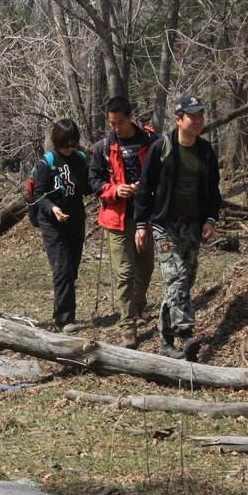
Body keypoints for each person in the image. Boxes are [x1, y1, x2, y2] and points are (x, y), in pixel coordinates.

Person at [134, 95, 221, 360]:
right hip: (164, 225)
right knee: (178, 277)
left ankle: (165, 341)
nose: (197, 120)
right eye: (192, 116)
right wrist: (140, 224)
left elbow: (213, 191)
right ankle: (185, 334)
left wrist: (210, 219)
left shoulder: (206, 152)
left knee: (181, 283)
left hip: (193, 226)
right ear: (178, 119)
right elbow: (145, 187)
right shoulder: (163, 147)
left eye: (200, 115)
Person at [89, 96, 157, 348]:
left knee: (145, 268)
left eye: (119, 122)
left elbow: (163, 171)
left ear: (131, 117)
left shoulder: (150, 141)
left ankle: (138, 307)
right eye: (111, 123)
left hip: (146, 216)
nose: (115, 127)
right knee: (125, 273)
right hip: (116, 218)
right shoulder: (103, 147)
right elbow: (94, 180)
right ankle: (127, 326)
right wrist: (115, 190)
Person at [34, 119, 90, 333]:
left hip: (75, 219)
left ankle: (61, 310)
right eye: (65, 145)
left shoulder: (81, 159)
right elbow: (39, 195)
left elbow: (86, 186)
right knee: (62, 268)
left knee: (72, 268)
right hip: (52, 222)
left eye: (73, 144)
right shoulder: (46, 163)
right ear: (57, 142)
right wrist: (53, 209)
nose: (69, 149)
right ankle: (65, 319)